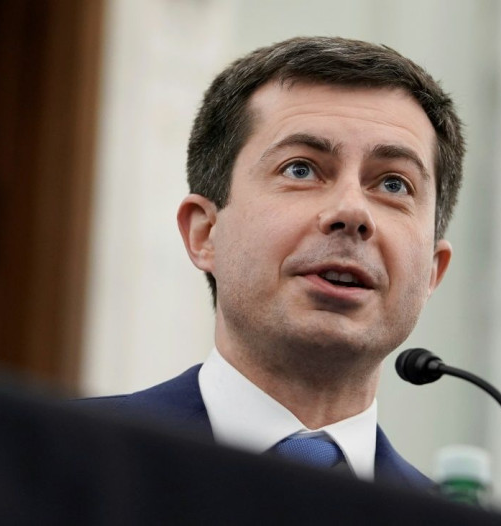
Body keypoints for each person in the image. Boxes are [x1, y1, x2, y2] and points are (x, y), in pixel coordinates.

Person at [84, 36, 465, 489]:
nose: (352, 213)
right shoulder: (56, 460)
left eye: (394, 184)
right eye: (300, 169)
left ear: (432, 272)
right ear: (205, 232)